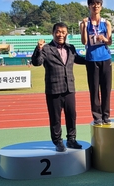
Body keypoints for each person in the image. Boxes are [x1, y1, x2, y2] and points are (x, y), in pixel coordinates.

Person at [31, 22, 85, 152]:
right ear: (53, 33)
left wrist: (96, 59)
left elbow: (80, 59)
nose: (61, 34)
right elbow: (36, 62)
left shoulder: (71, 48)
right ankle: (58, 141)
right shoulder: (46, 48)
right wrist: (38, 49)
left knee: (71, 115)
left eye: (64, 32)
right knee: (55, 117)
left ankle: (71, 139)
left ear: (67, 34)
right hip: (53, 89)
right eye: (58, 32)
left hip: (69, 88)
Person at [80, 0, 112, 126]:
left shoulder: (106, 23)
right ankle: (97, 116)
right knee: (94, 89)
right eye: (93, 4)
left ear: (101, 6)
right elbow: (84, 41)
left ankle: (106, 115)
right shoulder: (85, 22)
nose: (95, 6)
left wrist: (103, 39)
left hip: (105, 58)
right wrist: (83, 27)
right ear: (89, 6)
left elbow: (109, 42)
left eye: (98, 4)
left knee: (106, 88)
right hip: (92, 59)